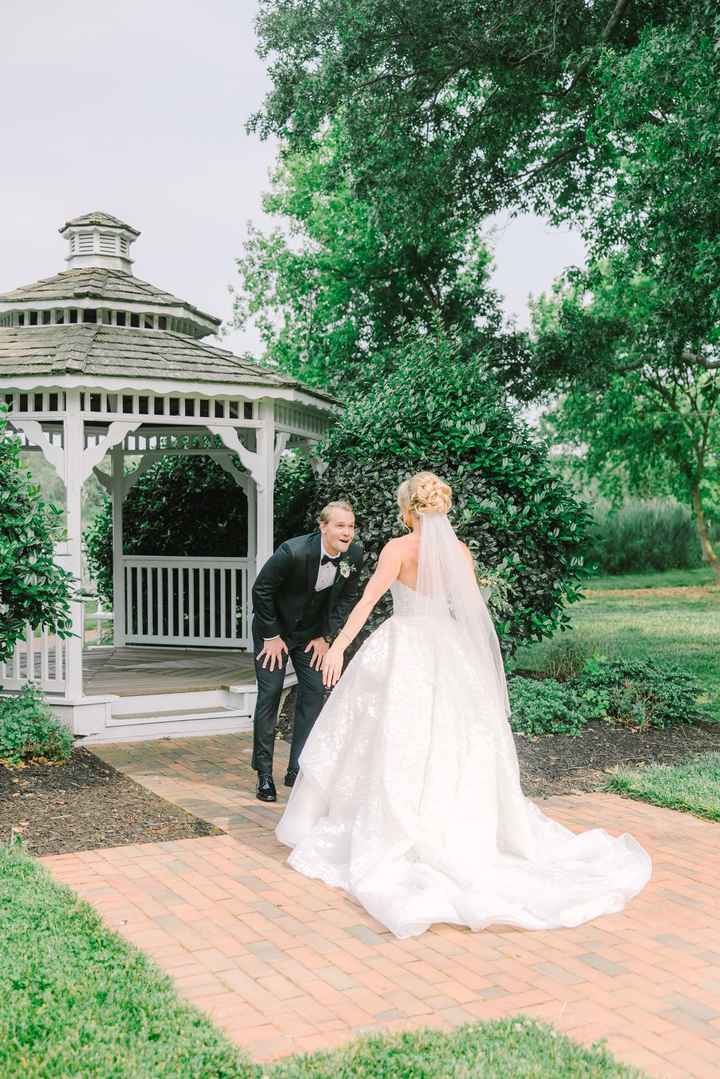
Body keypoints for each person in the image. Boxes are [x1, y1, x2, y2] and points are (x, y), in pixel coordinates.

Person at [276, 472, 651, 939]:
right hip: (449, 649)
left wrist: (338, 648)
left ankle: (399, 824)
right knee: (448, 739)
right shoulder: (460, 552)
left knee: (395, 736)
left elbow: (367, 604)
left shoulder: (397, 549)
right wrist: (477, 670)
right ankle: (447, 821)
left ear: (408, 510)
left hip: (406, 646)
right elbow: (472, 614)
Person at [250, 501, 363, 802]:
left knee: (314, 691)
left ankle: (297, 770)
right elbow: (261, 590)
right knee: (270, 693)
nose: (347, 532)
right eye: (340, 526)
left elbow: (347, 597)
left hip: (310, 635)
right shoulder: (293, 551)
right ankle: (264, 774)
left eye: (351, 526)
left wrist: (326, 636)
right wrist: (272, 635)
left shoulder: (354, 555)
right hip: (274, 632)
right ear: (323, 526)